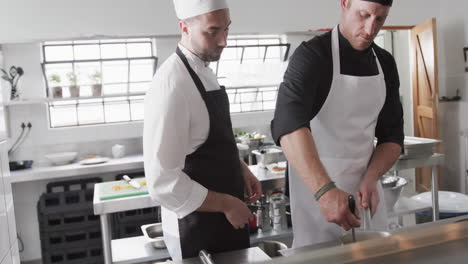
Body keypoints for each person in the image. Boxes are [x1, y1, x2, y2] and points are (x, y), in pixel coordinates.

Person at [271, 0, 404, 248]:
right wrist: (324, 191)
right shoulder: (312, 56)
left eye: (380, 19)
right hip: (317, 195)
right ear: (344, 3)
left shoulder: (385, 63)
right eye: (363, 15)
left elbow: (392, 137)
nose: (370, 28)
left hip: (367, 195)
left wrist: (372, 176)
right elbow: (288, 127)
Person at [143, 0, 262, 260]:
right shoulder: (172, 85)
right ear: (184, 27)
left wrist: (239, 166)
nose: (223, 41)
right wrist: (227, 203)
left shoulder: (203, 69)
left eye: (227, 30)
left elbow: (203, 138)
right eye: (212, 31)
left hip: (225, 223)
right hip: (198, 231)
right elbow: (162, 181)